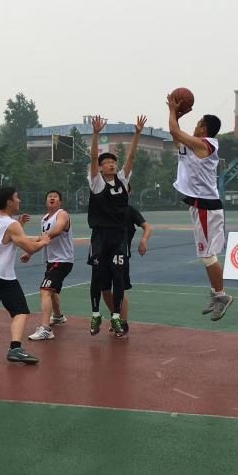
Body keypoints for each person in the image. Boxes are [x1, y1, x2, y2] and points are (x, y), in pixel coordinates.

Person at [167, 91, 233, 320]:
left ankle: (222, 296)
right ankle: (216, 293)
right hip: (200, 206)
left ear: (204, 128)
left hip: (207, 208)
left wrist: (173, 111)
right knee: (206, 255)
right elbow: (176, 138)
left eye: (197, 123)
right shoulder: (195, 146)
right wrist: (176, 116)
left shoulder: (206, 145)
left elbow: (175, 132)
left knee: (208, 255)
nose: (195, 126)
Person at [0, 187, 51, 363]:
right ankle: (15, 348)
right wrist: (44, 241)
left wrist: (19, 225)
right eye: (16, 197)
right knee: (21, 312)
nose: (19, 200)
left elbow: (5, 239)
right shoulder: (11, 225)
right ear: (9, 202)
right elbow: (29, 247)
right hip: (3, 277)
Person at [86, 114, 147, 336]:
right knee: (98, 278)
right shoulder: (96, 182)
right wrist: (95, 133)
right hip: (100, 236)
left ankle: (117, 317)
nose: (111, 164)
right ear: (100, 168)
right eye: (107, 162)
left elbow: (131, 156)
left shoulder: (122, 180)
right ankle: (96, 314)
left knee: (119, 278)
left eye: (113, 162)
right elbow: (94, 156)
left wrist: (137, 134)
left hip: (118, 236)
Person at [23, 190, 74, 342]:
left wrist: (35, 242)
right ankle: (58, 316)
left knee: (45, 290)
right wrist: (30, 252)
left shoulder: (62, 214)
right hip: (52, 260)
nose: (52, 198)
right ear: (46, 201)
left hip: (62, 260)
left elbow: (57, 230)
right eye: (49, 196)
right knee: (52, 290)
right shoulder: (45, 219)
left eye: (55, 196)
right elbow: (45, 240)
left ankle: (45, 329)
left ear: (60, 202)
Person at [102, 199, 151, 333]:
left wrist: (144, 240)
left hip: (121, 255)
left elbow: (147, 227)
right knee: (104, 290)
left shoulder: (130, 210)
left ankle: (123, 323)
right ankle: (115, 317)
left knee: (120, 289)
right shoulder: (105, 208)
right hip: (104, 255)